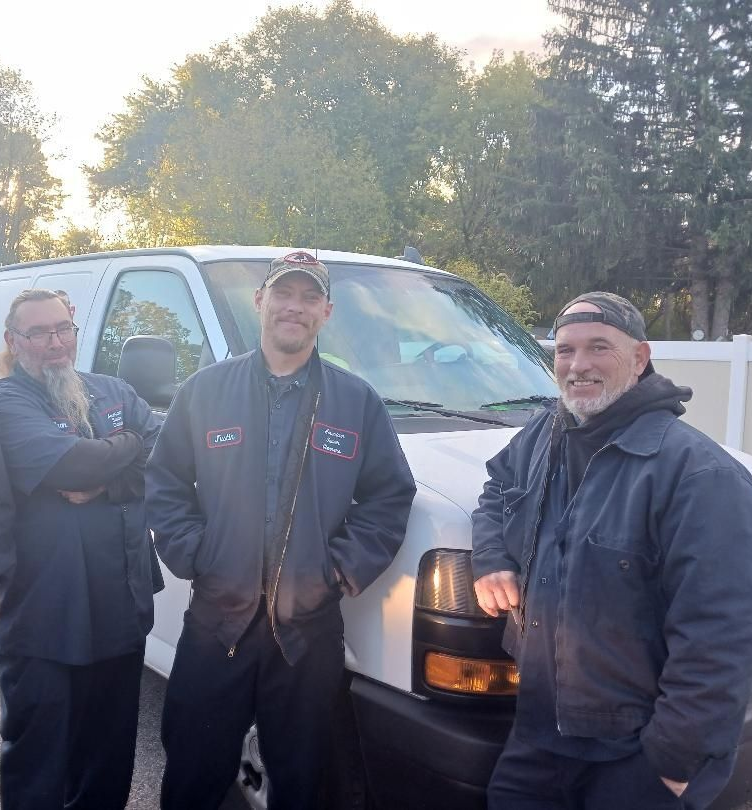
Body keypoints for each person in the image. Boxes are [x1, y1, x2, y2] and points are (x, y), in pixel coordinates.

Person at [145, 250, 416, 810]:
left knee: (303, 779)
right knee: (193, 771)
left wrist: (337, 569)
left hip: (306, 635)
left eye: (309, 297)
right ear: (260, 301)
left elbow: (390, 496)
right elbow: (165, 480)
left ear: (326, 311)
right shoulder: (206, 391)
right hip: (216, 623)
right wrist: (195, 553)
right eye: (284, 294)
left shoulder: (355, 401)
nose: (295, 307)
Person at [472, 291, 752, 810]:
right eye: (565, 350)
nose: (578, 365)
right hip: (538, 734)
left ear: (640, 358)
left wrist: (673, 763)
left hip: (636, 754)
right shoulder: (543, 435)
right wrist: (491, 559)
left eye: (599, 347)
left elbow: (721, 637)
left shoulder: (697, 475)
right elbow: (495, 490)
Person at [0, 288, 162, 810]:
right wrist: (131, 447)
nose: (54, 342)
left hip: (120, 606)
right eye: (38, 332)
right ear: (12, 341)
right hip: (44, 616)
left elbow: (169, 456)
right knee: (39, 763)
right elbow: (73, 466)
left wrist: (113, 481)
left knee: (108, 758)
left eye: (62, 328)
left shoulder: (113, 390)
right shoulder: (9, 403)